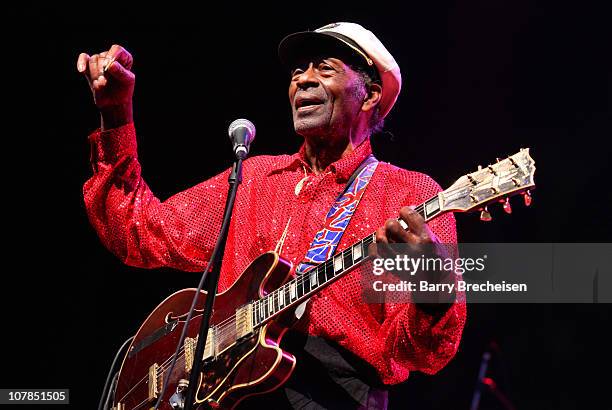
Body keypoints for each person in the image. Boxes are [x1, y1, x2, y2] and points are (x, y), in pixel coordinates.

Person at [78, 22, 466, 409]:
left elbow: (422, 352)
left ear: (369, 95)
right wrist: (116, 115)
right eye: (298, 72)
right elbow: (140, 232)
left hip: (336, 395)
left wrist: (433, 287)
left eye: (324, 69)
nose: (304, 81)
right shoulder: (254, 178)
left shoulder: (407, 194)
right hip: (226, 393)